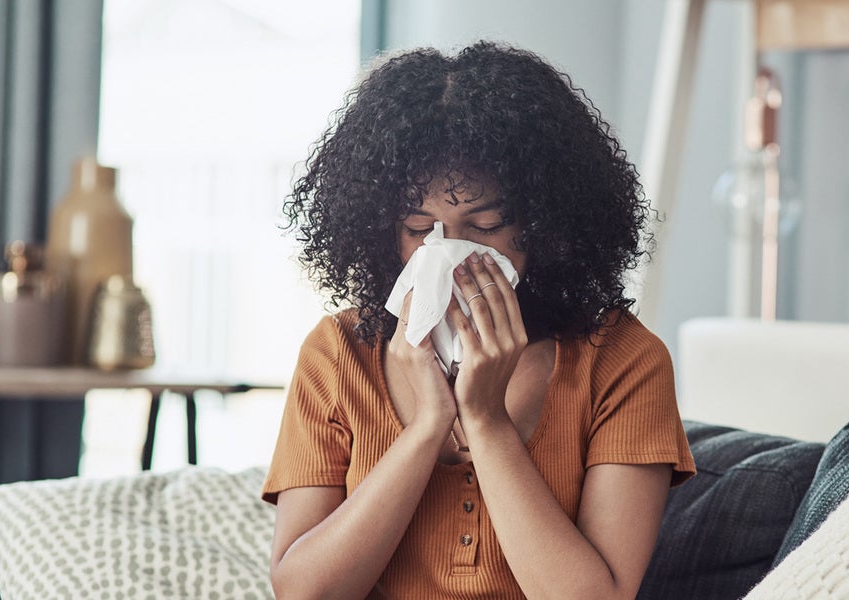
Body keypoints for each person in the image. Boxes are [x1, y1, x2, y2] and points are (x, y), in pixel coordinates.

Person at [264, 41, 695, 600]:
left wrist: (486, 420)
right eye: (421, 229)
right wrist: (425, 428)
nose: (453, 254)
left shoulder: (622, 360)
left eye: (487, 223)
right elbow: (302, 592)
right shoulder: (337, 353)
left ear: (544, 222)